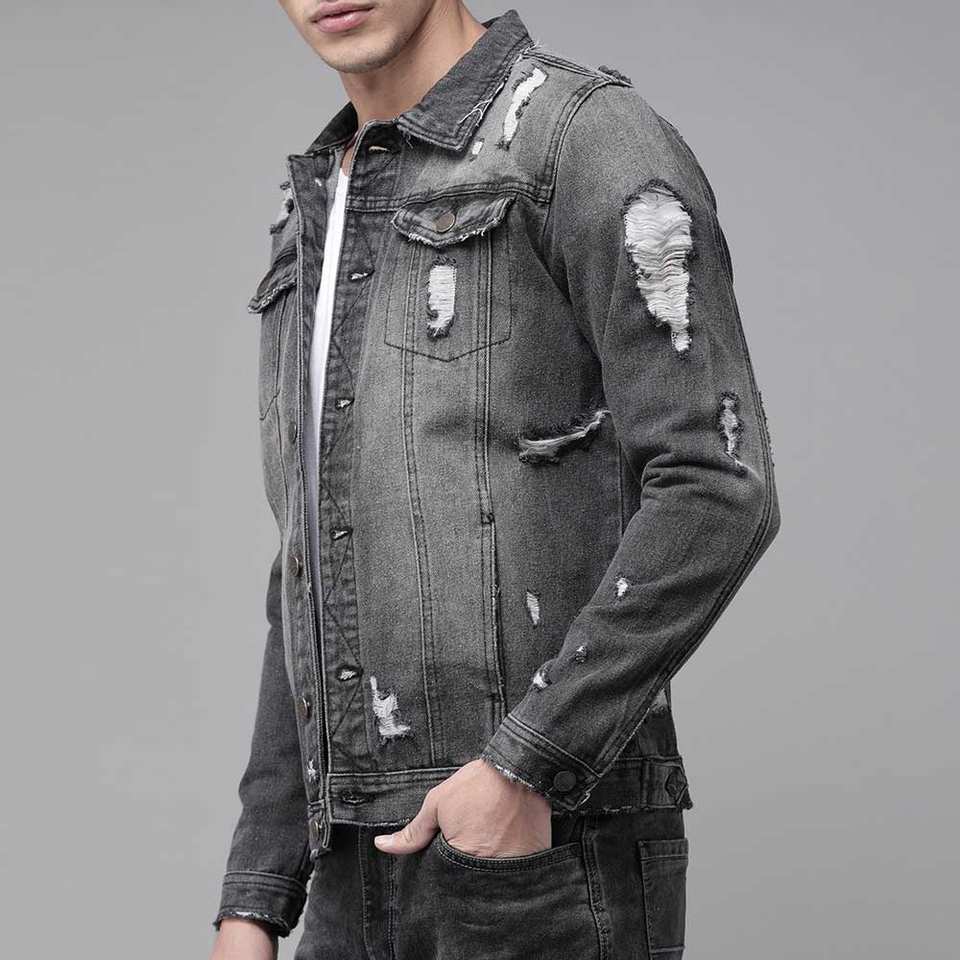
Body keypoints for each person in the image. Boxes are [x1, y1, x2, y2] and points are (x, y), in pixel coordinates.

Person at [209, 3, 781, 958]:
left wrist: (527, 766)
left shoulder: (581, 138)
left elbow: (716, 480)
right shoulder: (316, 209)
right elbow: (310, 562)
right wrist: (256, 896)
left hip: (536, 848)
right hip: (346, 864)